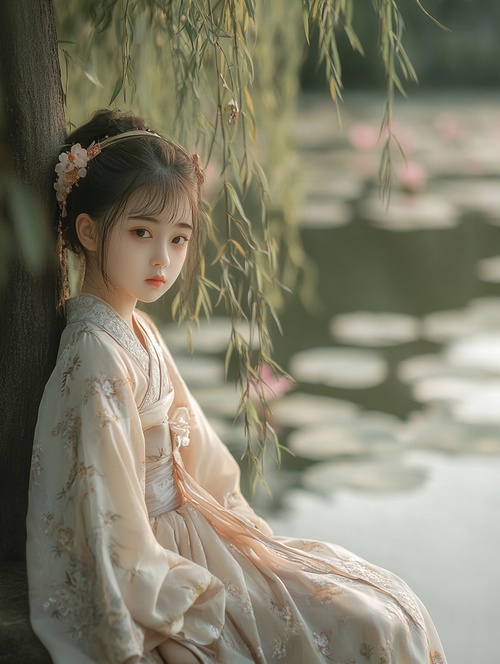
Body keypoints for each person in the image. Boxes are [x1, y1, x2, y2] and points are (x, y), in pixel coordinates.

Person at [26, 109, 447, 664]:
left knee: (386, 606)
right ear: (87, 230)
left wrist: (243, 530)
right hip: (157, 554)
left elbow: (203, 457)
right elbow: (106, 512)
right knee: (367, 626)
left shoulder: (136, 330)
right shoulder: (95, 353)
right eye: (141, 233)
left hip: (199, 526)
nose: (163, 258)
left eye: (179, 239)